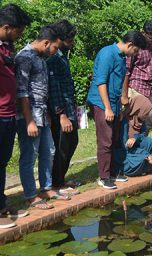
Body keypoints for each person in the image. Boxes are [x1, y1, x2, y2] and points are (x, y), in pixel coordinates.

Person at [86, 31, 146, 189]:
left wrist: (118, 106)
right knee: (105, 140)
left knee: (114, 139)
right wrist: (107, 108)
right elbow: (101, 82)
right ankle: (104, 177)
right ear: (130, 45)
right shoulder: (108, 53)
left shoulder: (121, 57)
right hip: (102, 103)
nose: (135, 54)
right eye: (135, 51)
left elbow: (118, 83)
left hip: (114, 104)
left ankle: (113, 172)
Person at [15, 25, 65, 209]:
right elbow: (22, 93)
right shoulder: (24, 57)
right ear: (46, 42)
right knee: (29, 155)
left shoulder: (41, 58)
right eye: (55, 48)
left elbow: (41, 90)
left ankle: (46, 187)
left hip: (41, 115)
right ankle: (30, 195)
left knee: (49, 151)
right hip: (28, 118)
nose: (55, 52)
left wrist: (45, 115)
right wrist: (29, 121)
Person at [0, 3, 31, 228]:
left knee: (2, 162)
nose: (19, 36)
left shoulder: (7, 47)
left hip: (8, 114)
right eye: (18, 31)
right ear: (7, 27)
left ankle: (1, 204)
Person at [46, 20, 80, 196]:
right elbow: (54, 87)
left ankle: (61, 179)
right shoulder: (53, 57)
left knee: (72, 142)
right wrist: (61, 115)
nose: (72, 42)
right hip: (61, 111)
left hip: (68, 107)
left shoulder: (61, 55)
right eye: (70, 39)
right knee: (62, 146)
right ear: (61, 38)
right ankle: (56, 184)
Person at [122, 20, 152, 131]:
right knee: (134, 121)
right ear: (144, 33)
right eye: (150, 38)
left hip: (150, 89)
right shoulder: (135, 46)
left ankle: (142, 144)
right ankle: (129, 145)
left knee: (148, 121)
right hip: (136, 87)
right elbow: (127, 71)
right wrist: (124, 95)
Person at [114, 95, 152, 176]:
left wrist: (135, 137)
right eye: (146, 112)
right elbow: (125, 146)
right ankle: (139, 165)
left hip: (135, 149)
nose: (146, 116)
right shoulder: (124, 121)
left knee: (149, 141)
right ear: (139, 109)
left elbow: (142, 135)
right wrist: (145, 154)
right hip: (124, 152)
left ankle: (147, 166)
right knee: (140, 160)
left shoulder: (140, 120)